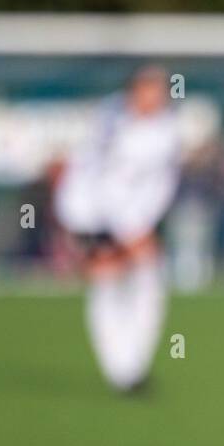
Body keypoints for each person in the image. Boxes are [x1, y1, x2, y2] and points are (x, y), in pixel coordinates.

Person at [54, 65, 181, 392]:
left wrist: (143, 221)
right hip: (93, 215)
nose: (154, 96)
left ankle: (132, 364)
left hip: (134, 217)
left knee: (148, 278)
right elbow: (95, 178)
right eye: (147, 88)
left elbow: (161, 181)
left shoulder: (167, 128)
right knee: (108, 282)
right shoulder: (110, 122)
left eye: (159, 89)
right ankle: (122, 369)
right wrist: (120, 227)